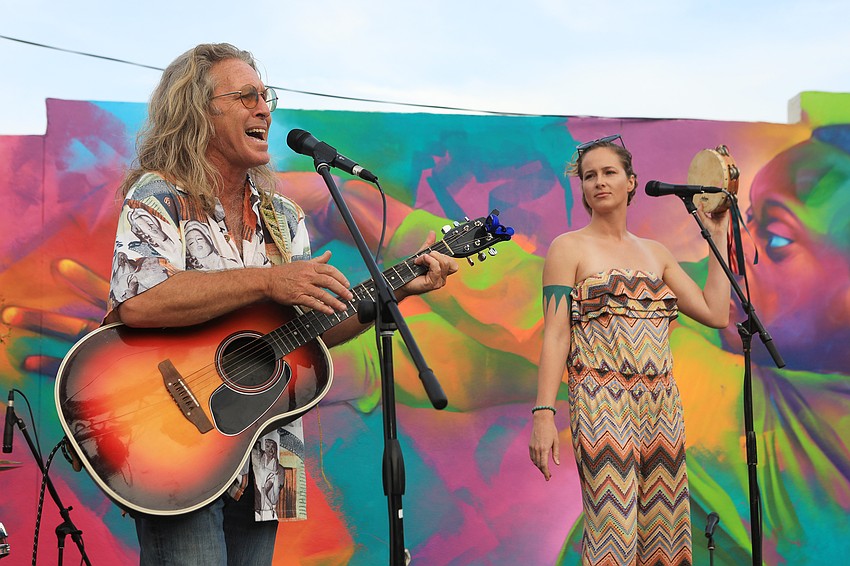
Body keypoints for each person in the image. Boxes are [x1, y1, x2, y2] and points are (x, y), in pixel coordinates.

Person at [105, 42, 457, 565]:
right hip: (174, 441)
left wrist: (396, 288)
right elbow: (140, 302)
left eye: (265, 96)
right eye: (246, 96)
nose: (264, 108)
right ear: (199, 110)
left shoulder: (283, 216)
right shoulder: (161, 196)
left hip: (266, 451)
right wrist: (268, 283)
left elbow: (308, 330)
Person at [528, 135, 730, 565]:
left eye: (608, 173)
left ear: (631, 182)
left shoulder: (656, 253)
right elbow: (556, 335)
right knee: (613, 529)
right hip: (601, 400)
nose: (599, 182)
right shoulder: (568, 247)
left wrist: (718, 236)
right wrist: (544, 414)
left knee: (666, 528)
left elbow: (716, 313)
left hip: (661, 403)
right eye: (589, 176)